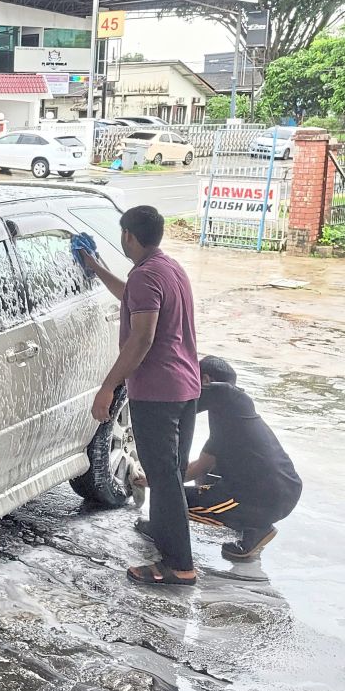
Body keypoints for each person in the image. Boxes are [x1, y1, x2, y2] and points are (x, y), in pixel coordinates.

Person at [80, 205, 201, 586]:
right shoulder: (167, 268)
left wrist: (108, 386)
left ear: (128, 235)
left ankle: (179, 565)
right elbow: (131, 298)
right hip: (185, 387)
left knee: (163, 477)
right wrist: (96, 267)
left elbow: (142, 337)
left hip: (158, 392)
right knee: (171, 472)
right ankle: (164, 531)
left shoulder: (146, 276)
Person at [182, 356, 302, 561]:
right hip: (286, 489)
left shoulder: (226, 395)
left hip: (264, 498)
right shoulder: (236, 415)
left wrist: (158, 485)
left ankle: (255, 525)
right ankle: (253, 523)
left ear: (206, 380)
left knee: (174, 502)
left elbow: (178, 402)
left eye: (193, 378)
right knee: (205, 478)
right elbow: (202, 466)